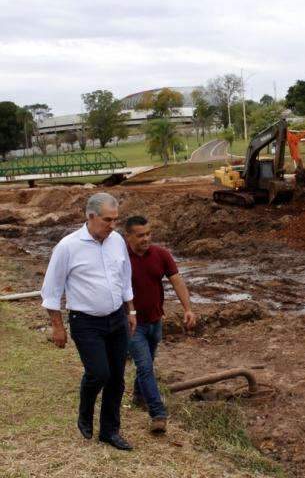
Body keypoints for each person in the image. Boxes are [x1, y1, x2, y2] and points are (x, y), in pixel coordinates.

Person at [41, 192, 136, 451]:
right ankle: (85, 410)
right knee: (99, 374)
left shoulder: (117, 241)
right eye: (107, 220)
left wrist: (131, 311)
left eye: (115, 219)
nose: (112, 225)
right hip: (86, 322)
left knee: (116, 378)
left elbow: (124, 277)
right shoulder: (67, 247)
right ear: (91, 216)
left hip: (116, 318)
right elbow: (51, 290)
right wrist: (58, 327)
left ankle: (109, 432)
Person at [124, 215, 196, 434]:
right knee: (145, 367)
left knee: (147, 362)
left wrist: (187, 308)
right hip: (133, 324)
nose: (146, 239)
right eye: (140, 235)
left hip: (156, 321)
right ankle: (158, 413)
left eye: (148, 234)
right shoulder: (120, 258)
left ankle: (138, 396)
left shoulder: (161, 254)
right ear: (128, 237)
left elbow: (177, 281)